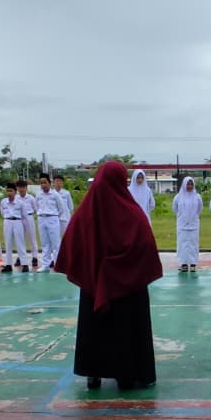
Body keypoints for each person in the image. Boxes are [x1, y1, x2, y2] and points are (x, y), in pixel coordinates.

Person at [54, 160, 162, 390]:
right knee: (127, 327)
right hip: (127, 288)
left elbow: (72, 243)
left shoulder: (86, 212)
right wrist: (121, 267)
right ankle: (127, 374)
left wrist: (96, 268)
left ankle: (93, 373)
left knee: (95, 329)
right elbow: (145, 245)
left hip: (94, 286)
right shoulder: (133, 213)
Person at [171, 176, 202, 271]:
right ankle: (183, 263)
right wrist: (183, 217)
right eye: (188, 184)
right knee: (182, 244)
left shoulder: (197, 197)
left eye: (191, 184)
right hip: (182, 225)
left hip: (194, 224)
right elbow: (175, 209)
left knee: (193, 244)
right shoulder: (178, 197)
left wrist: (192, 217)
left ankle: (193, 264)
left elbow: (199, 209)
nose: (189, 186)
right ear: (184, 184)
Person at [34, 174, 64, 270]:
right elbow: (36, 206)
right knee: (44, 243)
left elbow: (61, 208)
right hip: (42, 218)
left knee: (55, 242)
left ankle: (58, 264)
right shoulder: (38, 194)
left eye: (45, 183)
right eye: (41, 183)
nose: (43, 185)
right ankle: (45, 264)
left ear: (49, 183)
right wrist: (41, 214)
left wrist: (53, 216)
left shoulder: (55, 194)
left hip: (52, 218)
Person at [0, 182, 27, 272]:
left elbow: (24, 215)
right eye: (7, 191)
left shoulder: (20, 203)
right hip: (7, 221)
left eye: (11, 191)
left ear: (15, 192)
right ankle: (8, 264)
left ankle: (24, 264)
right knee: (8, 243)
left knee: (20, 243)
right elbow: (2, 213)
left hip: (17, 221)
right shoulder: (3, 202)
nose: (9, 193)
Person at [16, 177, 40, 269]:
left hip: (29, 218)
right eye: (19, 187)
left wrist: (29, 215)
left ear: (26, 188)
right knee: (19, 239)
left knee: (32, 238)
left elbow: (36, 209)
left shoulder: (31, 198)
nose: (21, 189)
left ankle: (34, 257)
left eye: (23, 187)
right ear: (17, 188)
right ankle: (20, 258)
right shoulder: (16, 198)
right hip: (19, 219)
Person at [54, 174, 74, 241]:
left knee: (66, 236)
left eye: (60, 181)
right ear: (53, 182)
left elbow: (71, 207)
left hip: (65, 218)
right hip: (54, 218)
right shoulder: (51, 193)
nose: (58, 183)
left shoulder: (66, 193)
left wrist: (71, 218)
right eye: (57, 181)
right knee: (55, 237)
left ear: (62, 183)